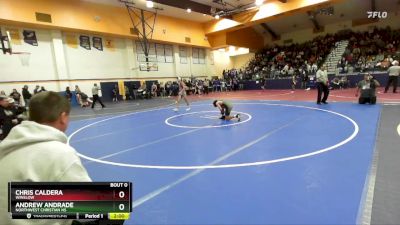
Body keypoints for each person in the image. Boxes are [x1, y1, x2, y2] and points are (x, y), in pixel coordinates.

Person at [0, 92, 94, 225]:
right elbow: (90, 205)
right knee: (114, 204)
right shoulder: (60, 153)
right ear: (63, 117)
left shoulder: (6, 146)